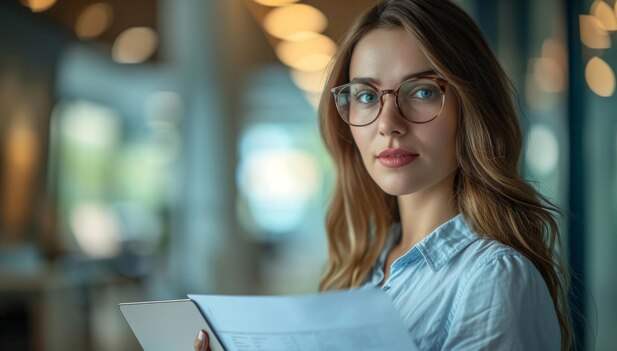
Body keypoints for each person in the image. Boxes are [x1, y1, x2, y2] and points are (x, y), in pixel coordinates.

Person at [195, 0, 572, 350]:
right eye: (365, 96)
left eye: (422, 92)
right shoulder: (366, 267)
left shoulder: (493, 279)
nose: (389, 124)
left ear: (472, 108)